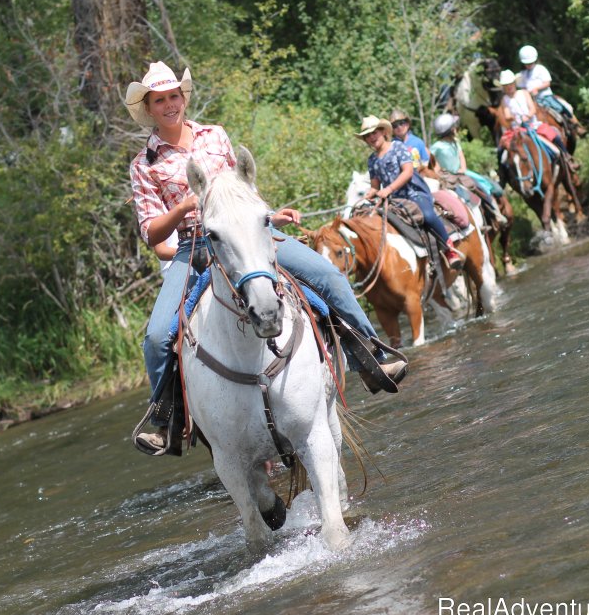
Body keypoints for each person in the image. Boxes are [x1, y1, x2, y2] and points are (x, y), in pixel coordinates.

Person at [125, 62, 408, 452]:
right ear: (150, 108)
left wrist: (270, 216)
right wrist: (185, 206)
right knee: (158, 336)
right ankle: (165, 418)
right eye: (161, 100)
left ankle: (370, 357)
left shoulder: (215, 135)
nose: (171, 104)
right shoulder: (144, 165)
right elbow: (150, 231)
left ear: (183, 97)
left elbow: (242, 191)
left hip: (250, 233)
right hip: (195, 247)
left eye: (175, 95)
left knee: (326, 275)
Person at [356, 115, 464, 270]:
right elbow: (375, 185)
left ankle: (450, 250)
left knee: (428, 216)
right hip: (394, 200)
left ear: (383, 132)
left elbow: (407, 172)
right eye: (367, 136)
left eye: (374, 133)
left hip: (413, 194)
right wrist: (368, 194)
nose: (372, 137)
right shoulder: (372, 160)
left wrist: (389, 189)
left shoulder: (398, 147)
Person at [429, 113, 513, 228]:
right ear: (450, 130)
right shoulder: (437, 147)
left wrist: (462, 168)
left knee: (482, 186)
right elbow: (433, 162)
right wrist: (438, 172)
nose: (456, 129)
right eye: (454, 127)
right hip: (447, 174)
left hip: (461, 172)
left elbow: (461, 157)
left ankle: (495, 213)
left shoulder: (455, 143)